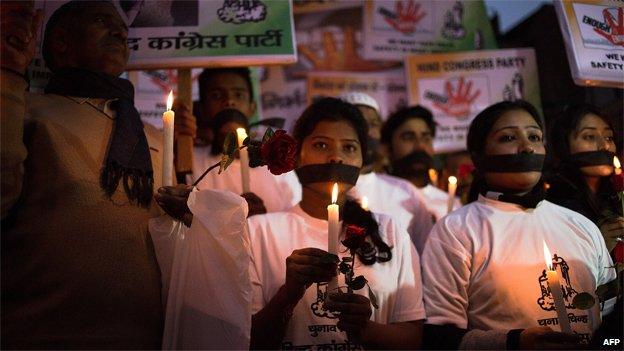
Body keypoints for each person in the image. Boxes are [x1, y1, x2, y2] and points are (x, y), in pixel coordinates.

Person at [0, 1, 191, 347]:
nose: (120, 31)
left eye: (123, 27)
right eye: (102, 21)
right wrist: (9, 76)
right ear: (61, 42)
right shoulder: (25, 110)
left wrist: (190, 217)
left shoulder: (153, 136)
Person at [421, 100, 616, 349]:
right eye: (508, 138)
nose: (526, 148)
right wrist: (514, 342)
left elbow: (612, 321)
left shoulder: (581, 225)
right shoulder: (456, 231)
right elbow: (440, 338)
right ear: (479, 157)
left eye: (534, 137)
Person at [248, 97, 425, 349]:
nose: (336, 158)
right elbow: (246, 340)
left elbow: (413, 339)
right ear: (296, 155)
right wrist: (289, 294)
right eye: (321, 145)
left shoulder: (390, 232)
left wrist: (367, 329)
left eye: (349, 148)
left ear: (362, 161)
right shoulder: (258, 232)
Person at [546, 104, 623, 252]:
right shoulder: (556, 208)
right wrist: (597, 247)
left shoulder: (613, 195)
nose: (605, 146)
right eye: (589, 136)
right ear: (564, 146)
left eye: (609, 137)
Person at [192, 108, 297, 214]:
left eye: (234, 137)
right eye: (224, 137)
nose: (230, 144)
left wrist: (263, 219)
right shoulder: (199, 160)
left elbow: (293, 213)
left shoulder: (273, 169)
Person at [380, 105, 461, 223]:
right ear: (388, 148)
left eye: (426, 138)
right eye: (408, 138)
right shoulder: (374, 196)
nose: (420, 146)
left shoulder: (452, 205)